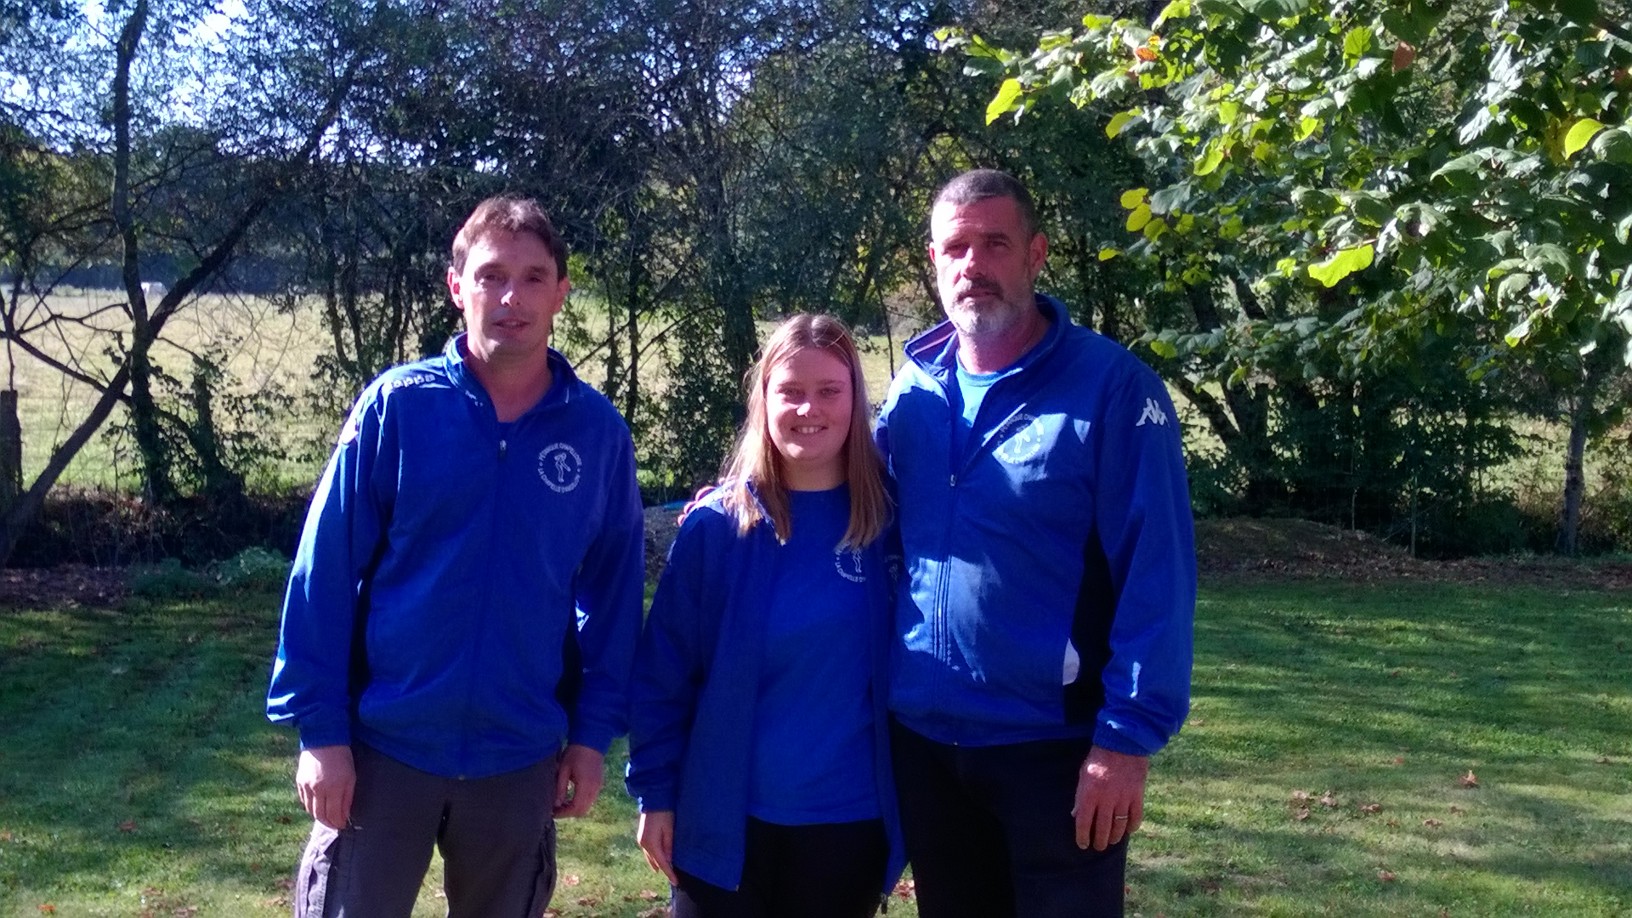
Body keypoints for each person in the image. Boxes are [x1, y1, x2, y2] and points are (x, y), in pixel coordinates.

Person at [266, 196, 645, 917]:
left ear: (562, 293)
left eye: (535, 278)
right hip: (384, 750)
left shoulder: (597, 435)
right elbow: (322, 574)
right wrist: (321, 733)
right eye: (492, 275)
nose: (512, 297)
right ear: (456, 286)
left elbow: (614, 598)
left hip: (519, 755)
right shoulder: (398, 410)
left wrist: (592, 736)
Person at [877, 169, 1196, 917]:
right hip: (926, 746)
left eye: (995, 243)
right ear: (933, 261)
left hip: (1057, 751)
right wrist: (741, 497)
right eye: (956, 247)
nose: (973, 265)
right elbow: (837, 486)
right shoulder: (916, 388)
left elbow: (1160, 575)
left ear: (1036, 254)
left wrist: (1126, 740)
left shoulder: (1114, 390)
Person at [626, 314, 906, 918]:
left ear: (856, 399)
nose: (810, 408)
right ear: (763, 400)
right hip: (722, 822)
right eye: (791, 391)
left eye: (829, 390)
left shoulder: (893, 526)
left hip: (848, 823)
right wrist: (655, 790)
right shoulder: (716, 530)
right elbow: (662, 678)